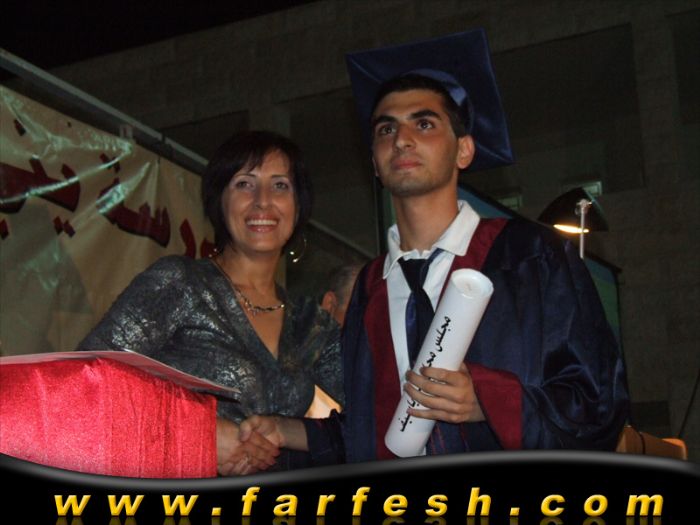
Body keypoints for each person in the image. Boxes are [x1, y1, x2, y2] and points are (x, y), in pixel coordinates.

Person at [240, 68, 629, 463]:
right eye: (386, 130)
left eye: (424, 124)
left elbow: (598, 404)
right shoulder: (370, 289)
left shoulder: (530, 256)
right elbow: (369, 431)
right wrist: (284, 430)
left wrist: (488, 399)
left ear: (464, 150)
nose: (401, 139)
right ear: (374, 162)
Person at [78, 130, 343, 474]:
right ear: (220, 200)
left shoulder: (312, 324)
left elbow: (372, 421)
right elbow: (84, 382)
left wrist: (288, 430)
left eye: (280, 185)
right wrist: (196, 434)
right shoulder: (181, 282)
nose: (263, 201)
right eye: (244, 184)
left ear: (299, 205)